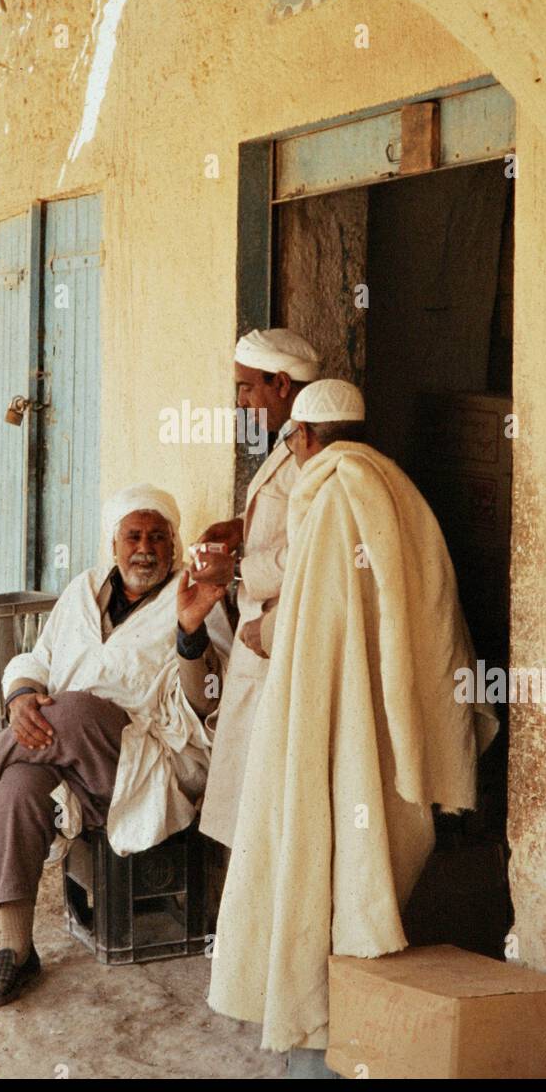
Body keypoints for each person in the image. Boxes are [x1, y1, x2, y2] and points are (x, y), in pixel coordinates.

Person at [207, 380, 498, 1060]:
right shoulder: (396, 488)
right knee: (360, 865)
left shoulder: (337, 497)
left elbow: (320, 622)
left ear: (305, 437)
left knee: (326, 866)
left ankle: (323, 1029)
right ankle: (341, 1022)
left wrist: (263, 634)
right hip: (383, 714)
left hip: (341, 713)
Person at [0, 484, 232, 1007]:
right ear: (114, 544)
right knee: (17, 785)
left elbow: (206, 705)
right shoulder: (83, 590)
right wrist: (20, 698)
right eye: (133, 535)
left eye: (158, 536)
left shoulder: (193, 597)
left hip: (146, 769)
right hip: (66, 760)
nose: (145, 548)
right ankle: (17, 950)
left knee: (81, 707)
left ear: (174, 546)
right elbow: (34, 660)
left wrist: (190, 631)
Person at [192, 327, 321, 849]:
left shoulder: (313, 452)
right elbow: (286, 521)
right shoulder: (290, 442)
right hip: (261, 636)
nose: (241, 400)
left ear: (282, 383)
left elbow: (313, 551)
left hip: (277, 634)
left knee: (264, 807)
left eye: (247, 387)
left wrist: (239, 570)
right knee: (243, 799)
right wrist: (241, 525)